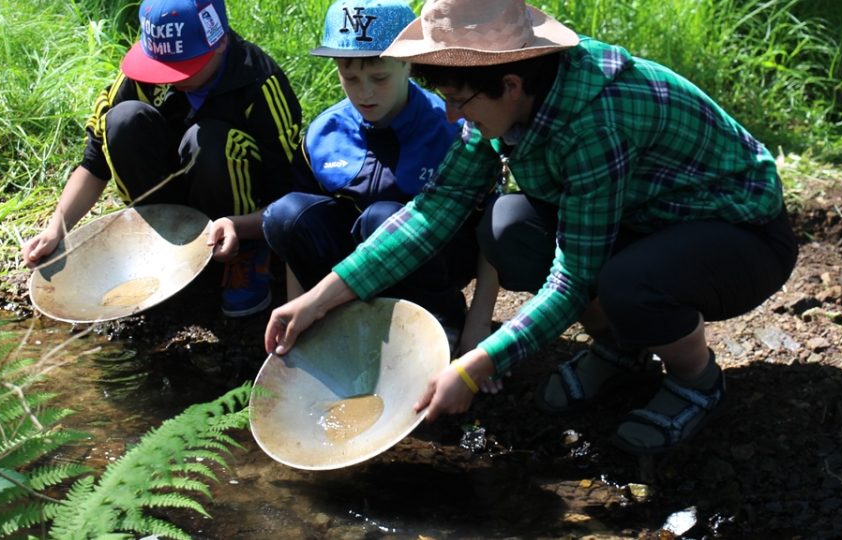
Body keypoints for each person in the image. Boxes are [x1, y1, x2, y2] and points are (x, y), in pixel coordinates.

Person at [264, 0, 798, 455]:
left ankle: (696, 380)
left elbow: (574, 277)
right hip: (643, 217)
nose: (450, 117)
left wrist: (475, 366)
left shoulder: (594, 120)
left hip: (738, 236)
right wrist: (320, 298)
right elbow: (434, 210)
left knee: (627, 283)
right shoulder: (498, 99)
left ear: (511, 83)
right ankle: (620, 347)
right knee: (508, 226)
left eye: (459, 101)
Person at [21, 0, 302, 318]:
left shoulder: (260, 84)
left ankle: (244, 258)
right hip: (170, 200)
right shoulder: (144, 78)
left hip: (237, 213)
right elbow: (94, 163)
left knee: (211, 140)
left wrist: (246, 227)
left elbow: (286, 191)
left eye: (184, 67)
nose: (171, 78)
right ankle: (156, 242)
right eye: (162, 67)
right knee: (122, 120)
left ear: (220, 42)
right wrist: (56, 228)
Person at [261, 0, 497, 351]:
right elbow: (298, 233)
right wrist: (300, 307)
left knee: (383, 217)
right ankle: (335, 318)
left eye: (379, 77)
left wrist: (477, 330)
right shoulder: (324, 133)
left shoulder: (452, 130)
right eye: (350, 77)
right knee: (285, 213)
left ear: (408, 63)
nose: (364, 92)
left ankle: (438, 324)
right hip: (350, 265)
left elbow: (489, 231)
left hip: (436, 258)